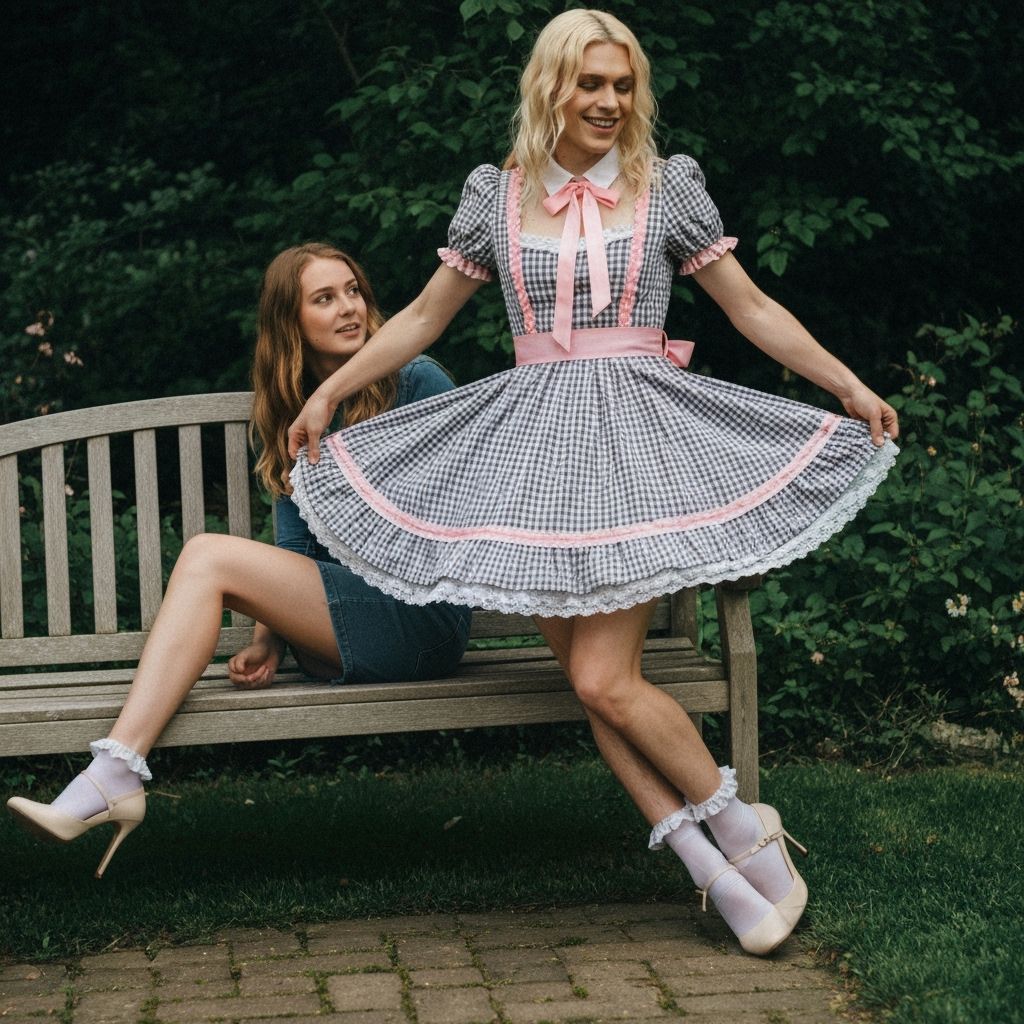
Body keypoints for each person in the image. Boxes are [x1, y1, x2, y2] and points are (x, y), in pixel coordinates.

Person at [283, 12, 899, 956]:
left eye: (623, 85)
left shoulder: (665, 189)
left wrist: (847, 384)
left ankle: (746, 832)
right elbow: (420, 315)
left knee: (609, 679)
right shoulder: (496, 197)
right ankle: (709, 872)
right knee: (587, 681)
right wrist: (329, 392)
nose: (610, 102)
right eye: (592, 84)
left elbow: (752, 306)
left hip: (632, 446)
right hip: (534, 457)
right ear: (550, 89)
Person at [6, 243, 472, 878]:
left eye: (353, 291)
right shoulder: (291, 407)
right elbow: (295, 550)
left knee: (206, 555)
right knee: (209, 559)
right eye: (324, 298)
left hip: (421, 616)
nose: (348, 309)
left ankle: (113, 775)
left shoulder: (415, 380)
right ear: (291, 321)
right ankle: (112, 774)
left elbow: (460, 516)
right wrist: (267, 641)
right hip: (350, 615)